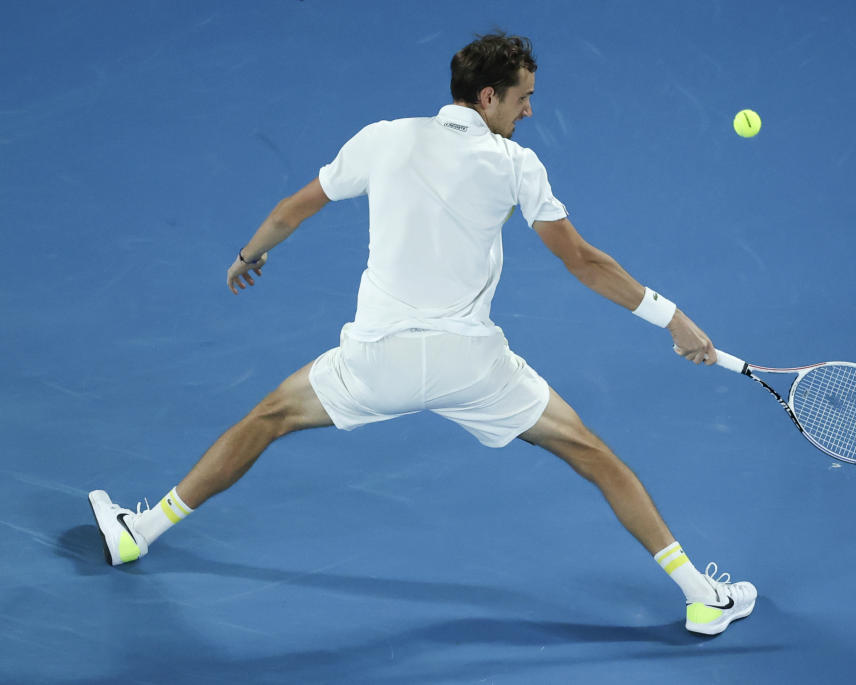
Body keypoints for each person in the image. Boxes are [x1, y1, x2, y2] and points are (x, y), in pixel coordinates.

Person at [89, 33, 755, 636]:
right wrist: (675, 319)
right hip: (475, 368)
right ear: (488, 96)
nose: (528, 112)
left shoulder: (383, 138)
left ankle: (141, 531)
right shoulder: (516, 166)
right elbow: (582, 261)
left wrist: (249, 253)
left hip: (377, 363)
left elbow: (293, 208)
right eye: (522, 100)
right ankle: (700, 596)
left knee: (267, 417)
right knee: (595, 455)